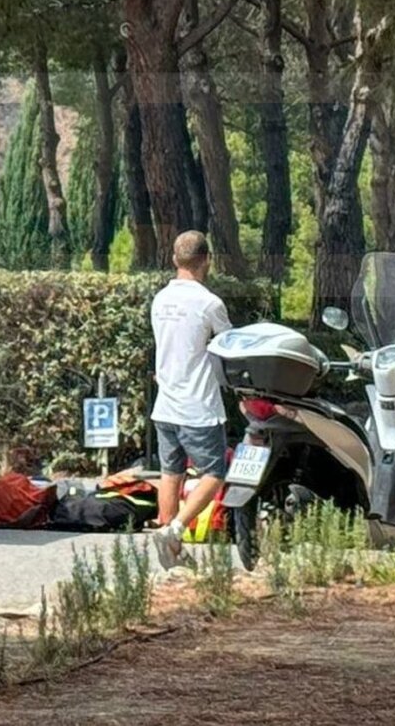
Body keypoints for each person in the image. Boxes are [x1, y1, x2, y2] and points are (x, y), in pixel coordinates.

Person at [148, 230, 232, 569]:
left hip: (165, 403)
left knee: (171, 471)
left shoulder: (160, 300)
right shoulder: (209, 302)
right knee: (215, 472)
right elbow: (229, 346)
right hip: (198, 405)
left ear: (174, 259)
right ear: (207, 260)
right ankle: (177, 528)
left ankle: (168, 545)